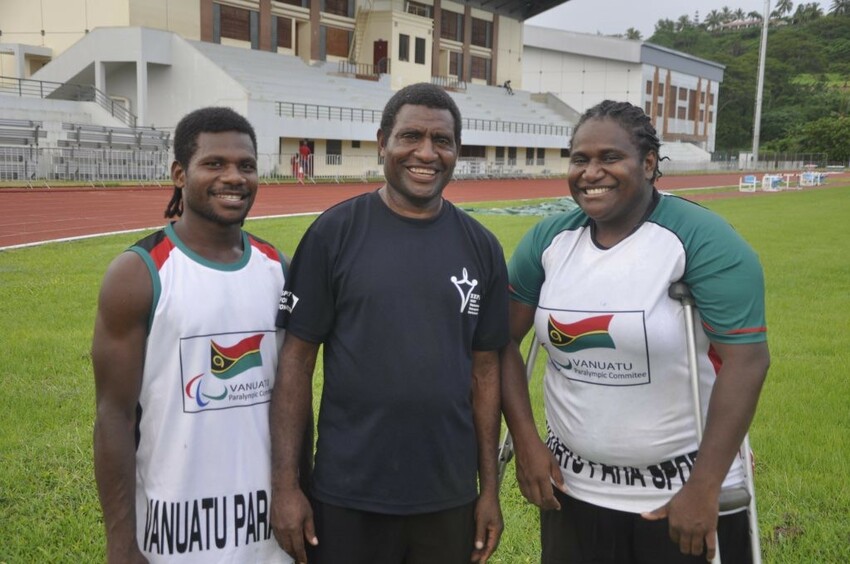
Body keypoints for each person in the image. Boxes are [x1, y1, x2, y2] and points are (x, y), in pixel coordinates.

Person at [501, 100, 770, 563]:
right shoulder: (548, 242)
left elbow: (747, 360)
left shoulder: (703, 239)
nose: (591, 172)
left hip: (682, 494)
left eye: (610, 158)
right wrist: (526, 444)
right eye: (580, 159)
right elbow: (501, 341)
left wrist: (703, 488)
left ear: (648, 164)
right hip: (575, 491)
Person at [270, 82, 509, 564]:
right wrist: (287, 486)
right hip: (346, 493)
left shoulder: (482, 247)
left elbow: (485, 373)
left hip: (448, 494)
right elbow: (295, 365)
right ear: (383, 142)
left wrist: (489, 490)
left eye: (442, 141)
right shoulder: (332, 234)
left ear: (457, 151)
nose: (426, 153)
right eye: (410, 137)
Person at [92, 106, 295, 563]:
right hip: (174, 535)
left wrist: (300, 492)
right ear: (180, 174)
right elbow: (113, 417)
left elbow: (293, 399)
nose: (234, 177)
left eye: (246, 165)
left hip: (267, 534)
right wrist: (121, 544)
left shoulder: (278, 270)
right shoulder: (137, 275)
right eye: (215, 164)